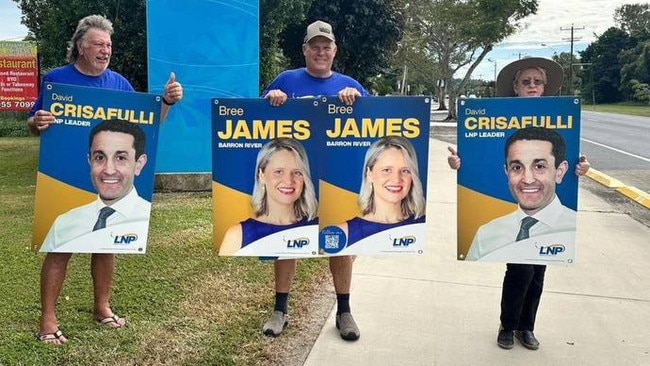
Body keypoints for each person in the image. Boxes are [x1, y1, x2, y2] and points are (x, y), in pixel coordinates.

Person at [30, 15, 183, 345]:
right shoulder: (57, 79)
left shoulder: (119, 83)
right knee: (60, 247)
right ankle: (47, 319)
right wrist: (36, 121)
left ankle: (102, 307)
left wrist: (167, 101)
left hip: (108, 180)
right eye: (99, 44)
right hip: (66, 177)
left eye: (109, 45)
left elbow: (148, 122)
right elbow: (35, 120)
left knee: (107, 242)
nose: (106, 50)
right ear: (81, 47)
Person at [447, 57, 590, 351]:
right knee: (521, 270)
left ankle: (527, 327)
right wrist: (460, 162)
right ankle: (508, 325)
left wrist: (582, 167)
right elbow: (477, 151)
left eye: (537, 82)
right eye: (526, 82)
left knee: (538, 272)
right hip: (517, 218)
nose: (533, 86)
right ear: (515, 87)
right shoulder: (500, 114)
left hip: (552, 216)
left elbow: (573, 153)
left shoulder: (559, 115)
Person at [261, 19, 369, 341]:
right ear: (305, 50)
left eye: (327, 47)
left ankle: (344, 312)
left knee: (341, 243)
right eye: (315, 47)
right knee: (286, 240)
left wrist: (359, 100)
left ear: (334, 50)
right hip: (294, 180)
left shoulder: (350, 85)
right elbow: (258, 123)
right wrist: (272, 99)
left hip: (337, 180)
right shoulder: (286, 80)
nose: (321, 52)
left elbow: (375, 125)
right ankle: (280, 309)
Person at [40, 119, 151, 253]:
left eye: (121, 158)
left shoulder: (144, 218)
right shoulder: (64, 223)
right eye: (99, 158)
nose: (109, 170)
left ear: (139, 164)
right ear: (90, 161)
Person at [465, 127, 575, 261]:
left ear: (560, 171)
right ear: (507, 172)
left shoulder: (574, 230)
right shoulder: (486, 234)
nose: (528, 179)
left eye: (539, 166)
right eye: (517, 168)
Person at [219, 138, 318, 255]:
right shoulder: (237, 235)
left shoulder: (318, 228)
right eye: (279, 171)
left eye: (297, 172)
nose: (288, 181)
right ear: (261, 175)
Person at [338, 136, 426, 249]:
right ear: (369, 174)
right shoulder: (343, 233)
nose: (396, 179)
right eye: (386, 170)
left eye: (405, 171)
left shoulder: (423, 226)